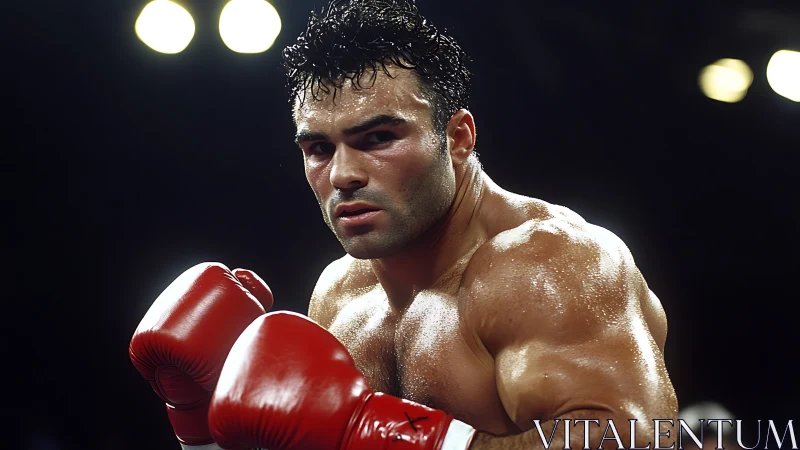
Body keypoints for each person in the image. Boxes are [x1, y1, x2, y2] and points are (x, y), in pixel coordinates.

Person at [130, 1, 678, 449]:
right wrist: (201, 429)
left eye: (377, 139)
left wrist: (400, 438)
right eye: (319, 148)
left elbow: (639, 441)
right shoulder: (340, 295)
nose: (343, 174)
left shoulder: (549, 263)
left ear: (457, 138)